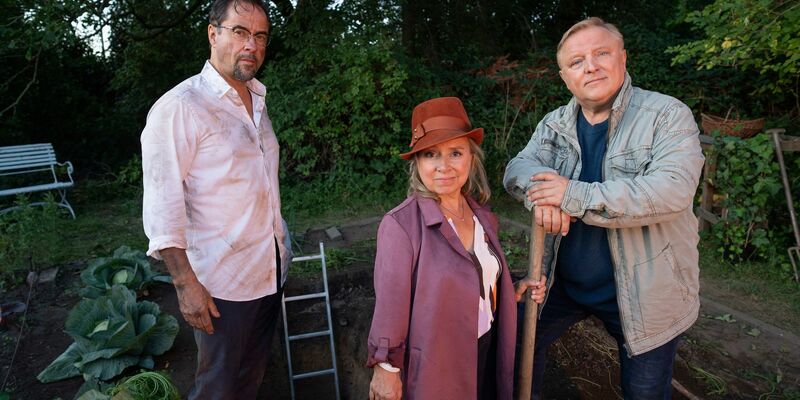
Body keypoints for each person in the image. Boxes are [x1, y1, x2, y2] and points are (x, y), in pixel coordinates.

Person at [503, 17, 704, 399]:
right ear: (565, 77)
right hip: (563, 283)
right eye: (577, 61)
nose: (590, 66)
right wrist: (540, 194)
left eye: (601, 54)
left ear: (623, 59)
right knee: (516, 350)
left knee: (644, 392)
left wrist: (570, 196)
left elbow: (672, 190)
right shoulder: (554, 124)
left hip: (646, 295)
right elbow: (518, 167)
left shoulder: (666, 116)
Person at [140, 0, 290, 398]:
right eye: (240, 32)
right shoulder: (180, 108)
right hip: (220, 285)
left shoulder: (257, 100)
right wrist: (185, 284)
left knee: (249, 381)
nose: (251, 45)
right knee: (218, 389)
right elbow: (162, 207)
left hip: (268, 270)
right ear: (213, 33)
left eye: (260, 36)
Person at [366, 97, 546, 400]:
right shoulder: (401, 226)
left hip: (485, 348)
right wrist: (385, 368)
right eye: (430, 155)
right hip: (439, 363)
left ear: (471, 159)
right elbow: (390, 305)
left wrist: (512, 288)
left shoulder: (482, 217)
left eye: (456, 153)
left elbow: (467, 280)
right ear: (417, 163)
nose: (444, 166)